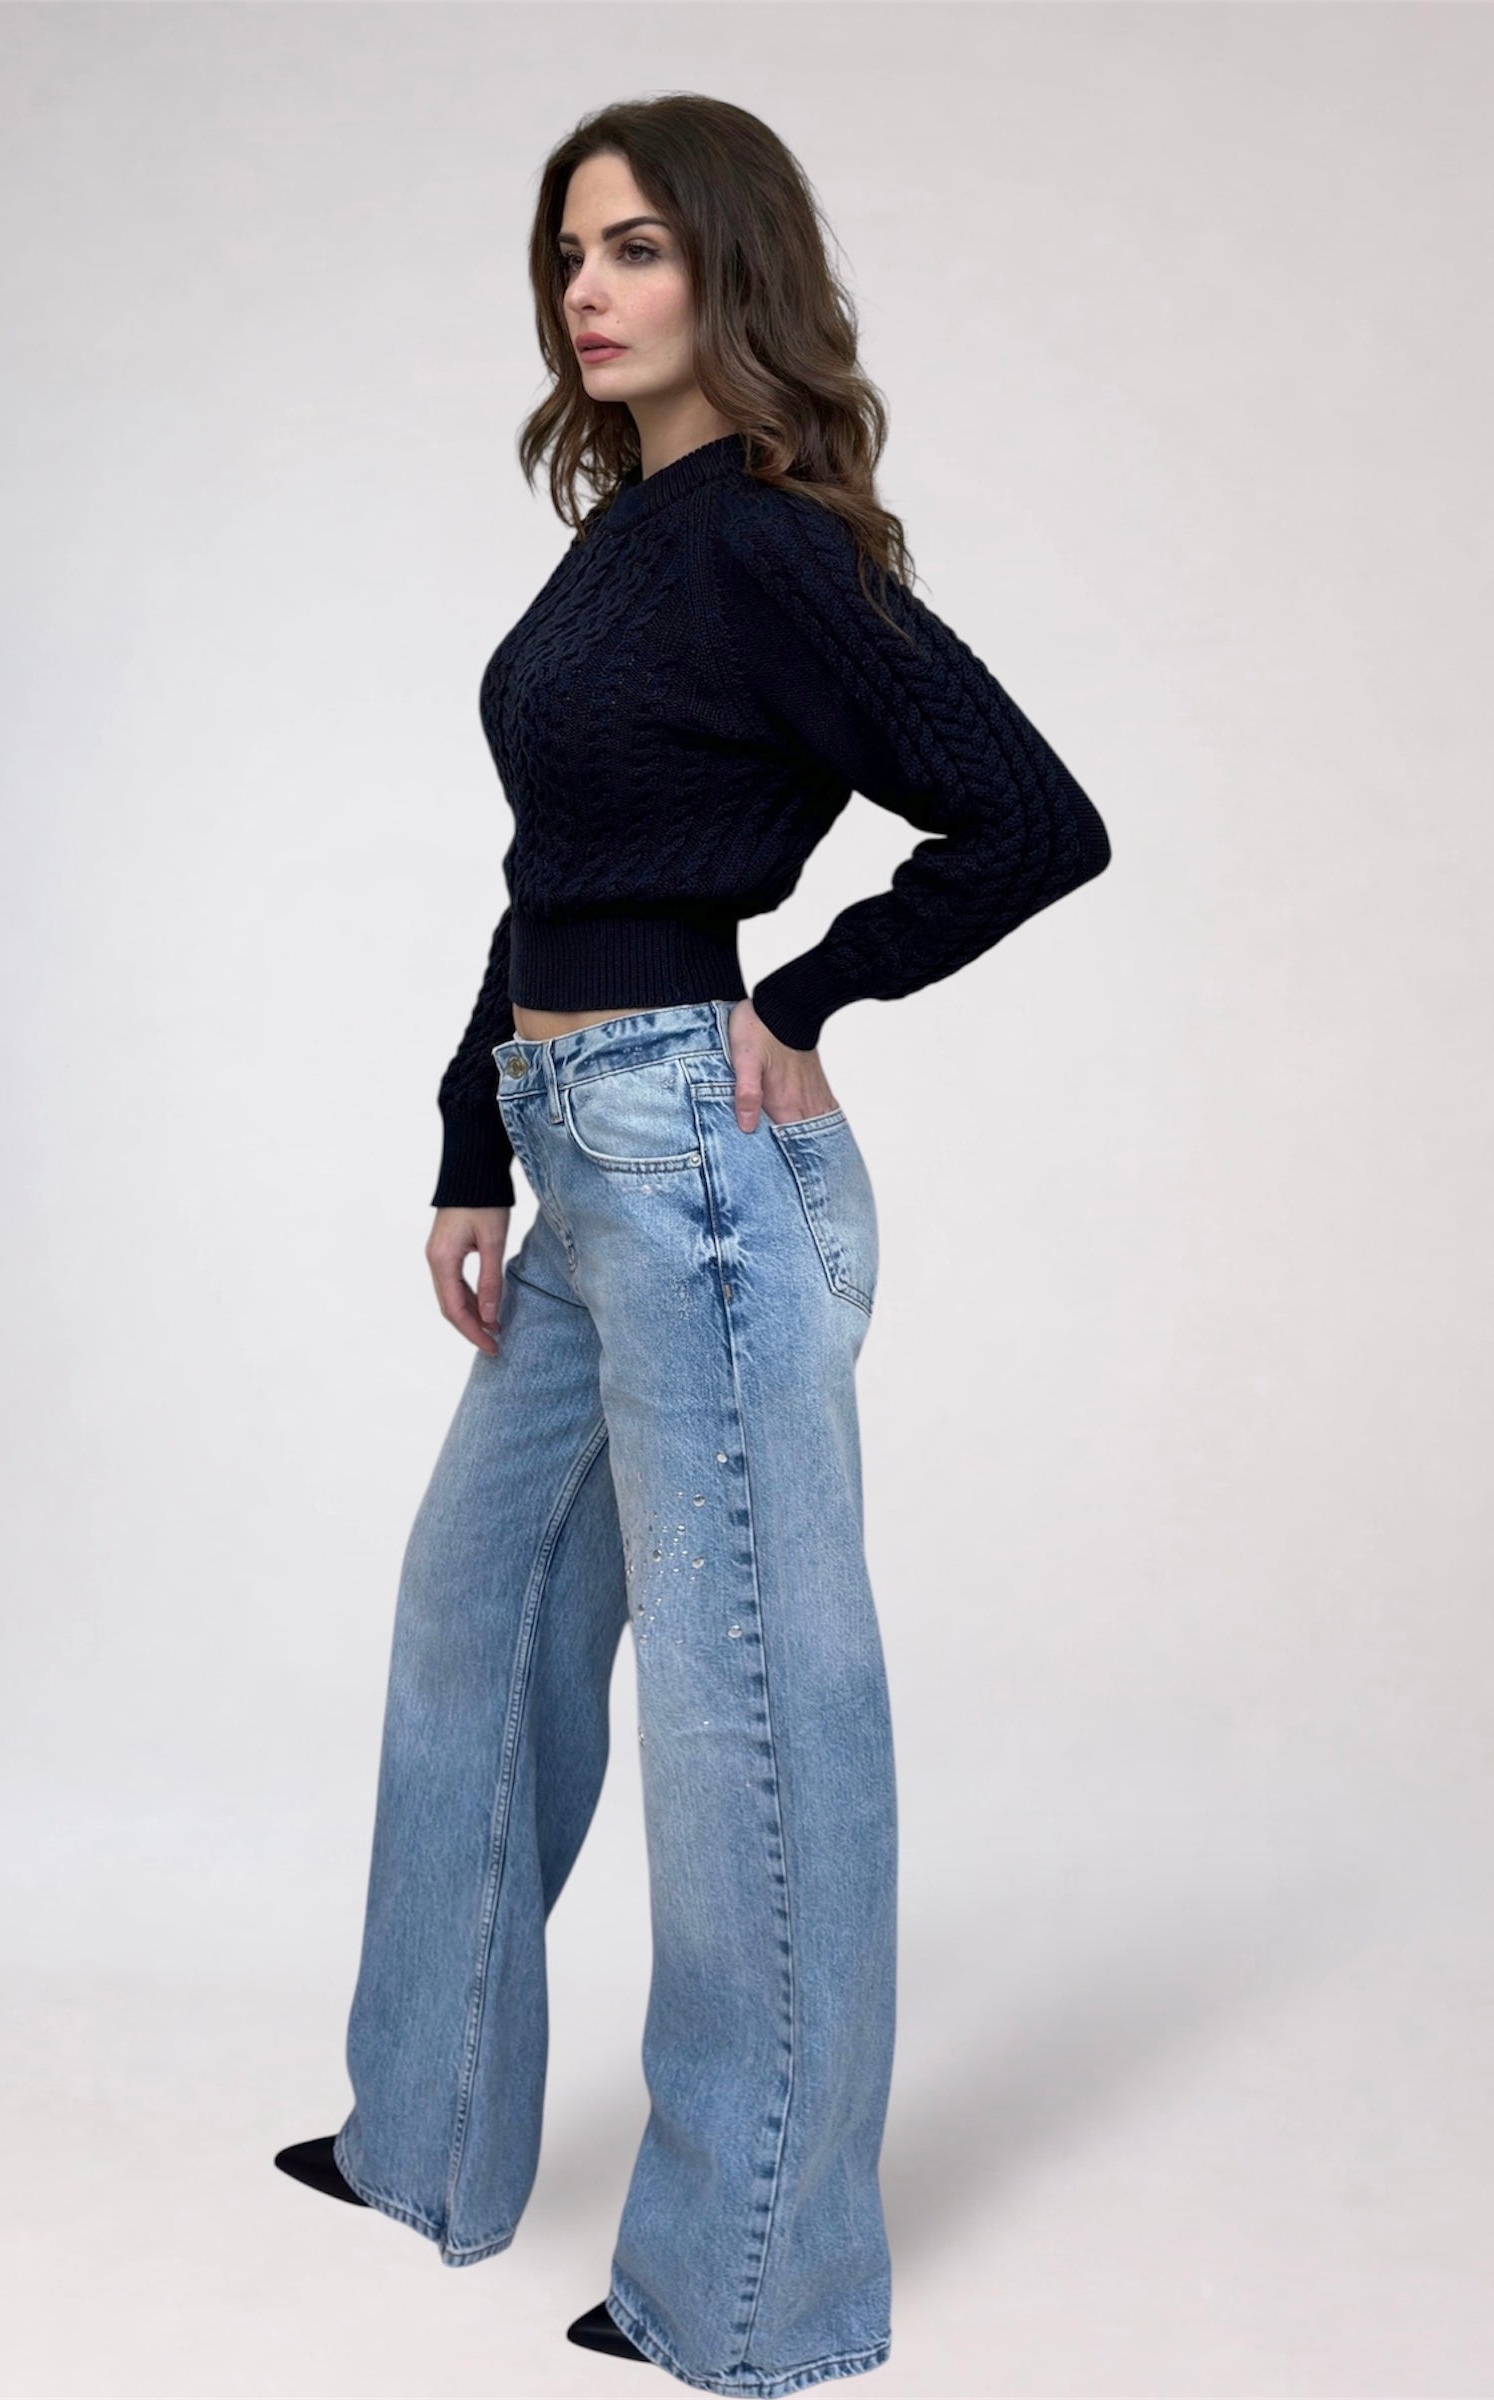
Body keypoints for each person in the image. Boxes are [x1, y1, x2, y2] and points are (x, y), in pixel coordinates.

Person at [275, 94, 1111, 2397]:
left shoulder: (758, 540)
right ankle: (427, 2135)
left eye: (635, 247)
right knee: (476, 1624)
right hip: (579, 1153)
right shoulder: (617, 544)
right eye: (568, 254)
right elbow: (560, 867)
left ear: (728, 267)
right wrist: (471, 1129)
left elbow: (1033, 821)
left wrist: (808, 999)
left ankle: (748, 2286)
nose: (588, 289)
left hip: (694, 1172)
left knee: (750, 1715)